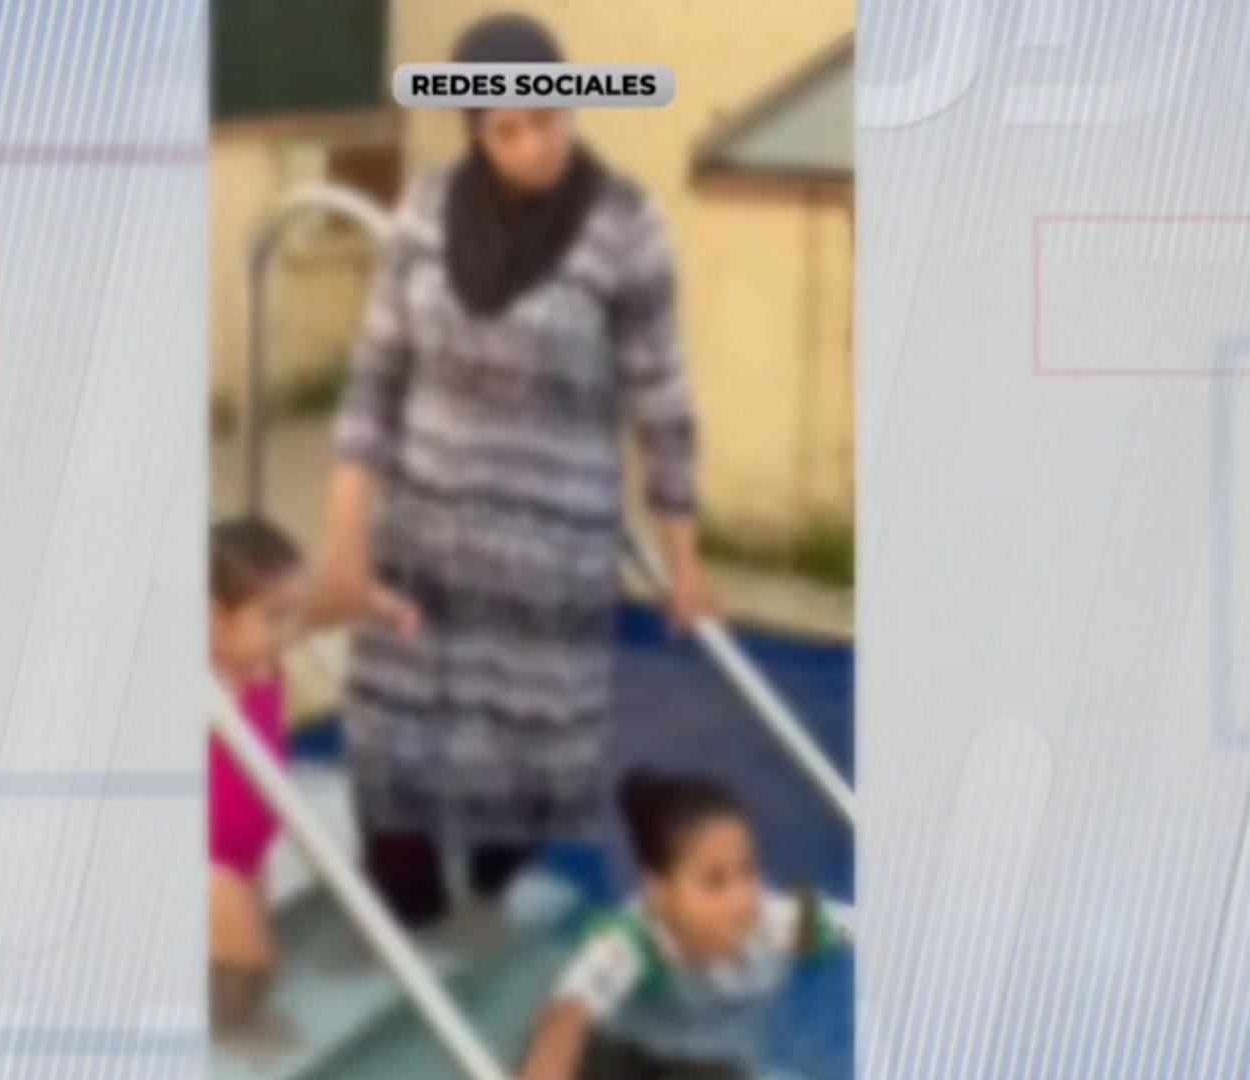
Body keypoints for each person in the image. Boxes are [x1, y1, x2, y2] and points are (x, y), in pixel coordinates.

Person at [311, 11, 718, 939]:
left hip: (549, 561)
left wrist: (683, 556)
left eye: (552, 117)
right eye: (508, 127)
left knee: (523, 770)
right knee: (392, 752)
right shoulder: (421, 212)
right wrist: (344, 543)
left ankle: (485, 907)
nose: (537, 143)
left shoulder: (624, 224)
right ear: (472, 130)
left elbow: (662, 394)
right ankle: (413, 931)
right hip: (422, 546)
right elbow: (374, 378)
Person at [206, 516, 412, 1051]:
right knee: (251, 964)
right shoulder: (207, 682)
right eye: (274, 617)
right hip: (209, 859)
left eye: (291, 615)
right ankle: (233, 1043)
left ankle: (225, 1022)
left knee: (258, 963)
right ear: (211, 623)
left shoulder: (264, 659)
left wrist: (376, 601)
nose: (289, 631)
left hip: (248, 849)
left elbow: (321, 611)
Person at [517, 768, 857, 1080]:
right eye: (714, 883)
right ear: (658, 895)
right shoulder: (632, 942)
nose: (740, 901)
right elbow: (565, 1020)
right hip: (617, 1049)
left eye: (748, 871)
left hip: (708, 1063)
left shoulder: (780, 924)